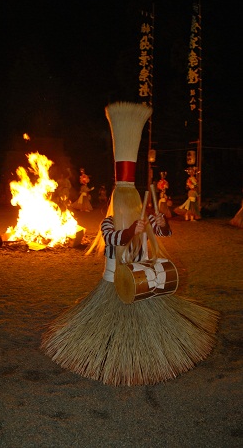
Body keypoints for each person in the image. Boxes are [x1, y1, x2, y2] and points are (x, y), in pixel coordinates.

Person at [41, 102, 219, 386]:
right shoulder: (108, 223)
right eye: (125, 203)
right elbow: (113, 238)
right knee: (111, 321)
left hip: (143, 284)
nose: (129, 207)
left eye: (132, 203)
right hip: (114, 284)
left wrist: (161, 225)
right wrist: (130, 233)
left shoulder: (143, 221)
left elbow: (163, 237)